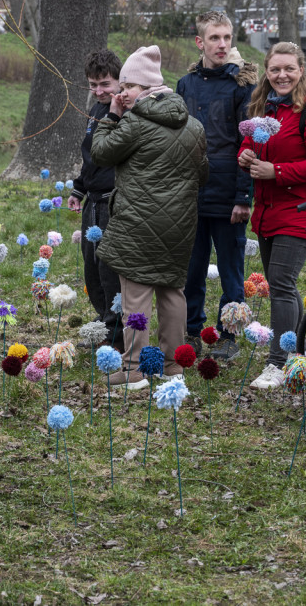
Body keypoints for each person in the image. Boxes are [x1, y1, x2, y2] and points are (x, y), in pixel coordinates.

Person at [90, 45, 208, 384]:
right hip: (180, 225)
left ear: (147, 87)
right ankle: (173, 366)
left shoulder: (134, 123)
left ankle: (134, 368)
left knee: (136, 298)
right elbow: (202, 174)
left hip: (138, 223)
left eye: (129, 86)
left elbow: (100, 153)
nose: (123, 92)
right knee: (172, 292)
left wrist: (112, 116)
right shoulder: (194, 126)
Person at [237, 42, 306, 387]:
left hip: (302, 209)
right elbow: (251, 143)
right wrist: (246, 156)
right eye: (275, 69)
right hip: (268, 209)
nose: (282, 75)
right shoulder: (263, 104)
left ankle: (278, 363)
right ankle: (296, 350)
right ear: (266, 71)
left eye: (289, 69)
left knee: (280, 283)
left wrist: (276, 172)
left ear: (301, 70)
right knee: (283, 284)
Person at [178, 11, 257, 361]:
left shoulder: (243, 86)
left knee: (231, 271)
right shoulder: (185, 85)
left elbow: (249, 144)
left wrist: (243, 197)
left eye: (227, 37)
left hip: (228, 195)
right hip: (191, 193)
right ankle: (191, 331)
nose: (222, 44)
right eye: (214, 38)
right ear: (201, 42)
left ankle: (229, 334)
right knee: (191, 269)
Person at [69, 49, 124, 351]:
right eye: (93, 84)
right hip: (92, 202)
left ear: (119, 81)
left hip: (112, 201)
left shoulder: (125, 112)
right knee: (91, 267)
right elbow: (90, 155)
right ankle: (103, 319)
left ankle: (117, 332)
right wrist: (78, 188)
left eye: (105, 84)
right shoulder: (95, 109)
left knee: (109, 268)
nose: (99, 91)